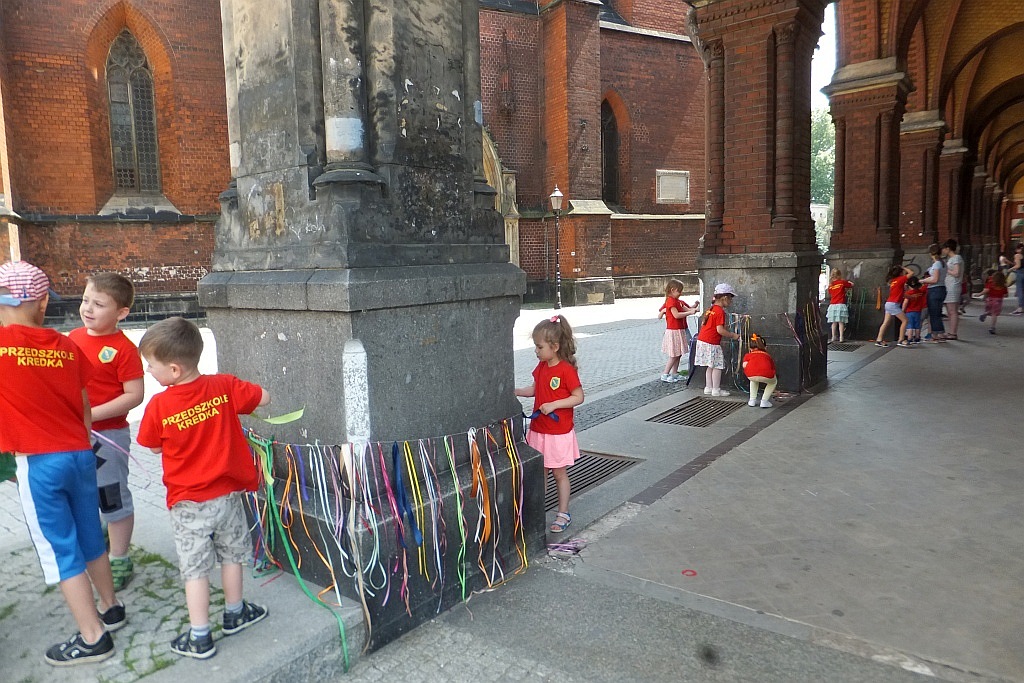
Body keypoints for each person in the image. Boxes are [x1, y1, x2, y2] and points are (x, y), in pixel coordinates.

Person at [0, 261, 125, 666]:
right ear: (42, 301)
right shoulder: (66, 344)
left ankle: (93, 637)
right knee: (91, 533)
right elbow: (85, 406)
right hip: (79, 454)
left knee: (61, 550)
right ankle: (110, 605)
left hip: (38, 463)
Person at [136, 317, 270, 659]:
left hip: (188, 503)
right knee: (232, 555)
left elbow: (151, 445)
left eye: (151, 366)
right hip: (227, 496)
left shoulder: (159, 406)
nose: (149, 372)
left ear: (175, 369)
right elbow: (264, 397)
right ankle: (235, 612)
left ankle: (199, 636)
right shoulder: (223, 386)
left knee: (195, 569)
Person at [68, 273, 144, 590]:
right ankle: (101, 532)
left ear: (121, 313)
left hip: (108, 438)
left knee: (112, 497)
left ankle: (120, 557)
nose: (88, 308)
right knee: (85, 491)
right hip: (73, 436)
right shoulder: (71, 337)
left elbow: (134, 394)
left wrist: (90, 415)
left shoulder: (123, 349)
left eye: (99, 304)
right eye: (86, 300)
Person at [514, 315, 584, 534]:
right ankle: (538, 510)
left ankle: (563, 513)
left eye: (539, 346)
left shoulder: (565, 370)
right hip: (540, 430)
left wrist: (554, 405)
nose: (536, 351)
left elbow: (578, 396)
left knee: (559, 473)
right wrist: (515, 391)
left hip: (558, 432)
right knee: (541, 472)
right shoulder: (542, 366)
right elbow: (534, 390)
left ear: (554, 347)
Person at [695, 283, 741, 397]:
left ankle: (708, 387)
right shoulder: (720, 311)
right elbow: (719, 330)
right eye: (730, 299)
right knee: (717, 366)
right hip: (712, 342)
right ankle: (716, 389)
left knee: (710, 366)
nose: (731, 302)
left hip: (702, 340)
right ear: (725, 298)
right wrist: (732, 335)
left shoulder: (710, 309)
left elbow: (704, 324)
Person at [659, 279, 696, 382]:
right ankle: (665, 374)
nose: (681, 293)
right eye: (679, 291)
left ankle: (674, 373)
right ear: (673, 290)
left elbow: (687, 309)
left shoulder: (677, 301)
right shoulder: (670, 301)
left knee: (678, 353)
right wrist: (690, 313)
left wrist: (693, 309)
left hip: (678, 330)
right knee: (674, 354)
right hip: (673, 331)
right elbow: (676, 315)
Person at [875, 264, 912, 348]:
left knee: (886, 322)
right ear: (901, 272)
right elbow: (911, 273)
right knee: (905, 320)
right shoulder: (900, 279)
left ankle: (879, 339)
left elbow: (899, 293)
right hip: (894, 304)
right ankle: (901, 339)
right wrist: (903, 267)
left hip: (889, 303)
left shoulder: (893, 281)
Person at [919, 243, 947, 342]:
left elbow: (935, 279)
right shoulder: (943, 263)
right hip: (942, 289)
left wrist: (922, 281)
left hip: (935, 289)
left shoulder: (936, 264)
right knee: (938, 312)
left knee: (934, 313)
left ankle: (936, 334)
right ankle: (940, 333)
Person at [741, 333, 777, 408]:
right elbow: (772, 367)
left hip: (751, 374)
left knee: (753, 381)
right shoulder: (767, 355)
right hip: (766, 374)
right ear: (765, 347)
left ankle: (752, 400)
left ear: (750, 348)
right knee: (773, 382)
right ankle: (764, 401)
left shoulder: (748, 355)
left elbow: (744, 365)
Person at [825, 268, 855, 343]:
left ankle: (833, 337)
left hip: (832, 305)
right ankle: (841, 337)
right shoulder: (842, 282)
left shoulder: (830, 285)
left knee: (833, 322)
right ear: (839, 275)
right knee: (841, 322)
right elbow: (851, 285)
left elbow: (830, 292)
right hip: (840, 304)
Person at [943, 239, 964, 338]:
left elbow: (956, 273)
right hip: (949, 285)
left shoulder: (956, 258)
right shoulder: (951, 259)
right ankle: (951, 331)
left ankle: (953, 332)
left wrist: (946, 270)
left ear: (948, 248)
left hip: (953, 286)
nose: (943, 251)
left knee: (952, 311)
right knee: (950, 311)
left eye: (944, 249)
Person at [979, 270, 1009, 334]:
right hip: (998, 301)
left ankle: (985, 313)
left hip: (990, 299)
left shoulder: (991, 283)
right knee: (994, 314)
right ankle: (992, 327)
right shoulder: (1004, 286)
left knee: (989, 310)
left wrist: (979, 294)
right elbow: (1006, 295)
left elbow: (986, 290)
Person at [902, 275, 926, 344]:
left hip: (909, 311)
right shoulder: (920, 292)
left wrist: (903, 310)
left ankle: (909, 338)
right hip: (918, 311)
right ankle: (917, 337)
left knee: (910, 325)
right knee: (917, 325)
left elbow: (905, 302)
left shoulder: (908, 293)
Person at [1010, 243, 1024, 315]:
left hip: (1020, 273)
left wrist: (1010, 269)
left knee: (1020, 290)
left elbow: (1018, 265)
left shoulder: (1017, 255)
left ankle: (1020, 308)